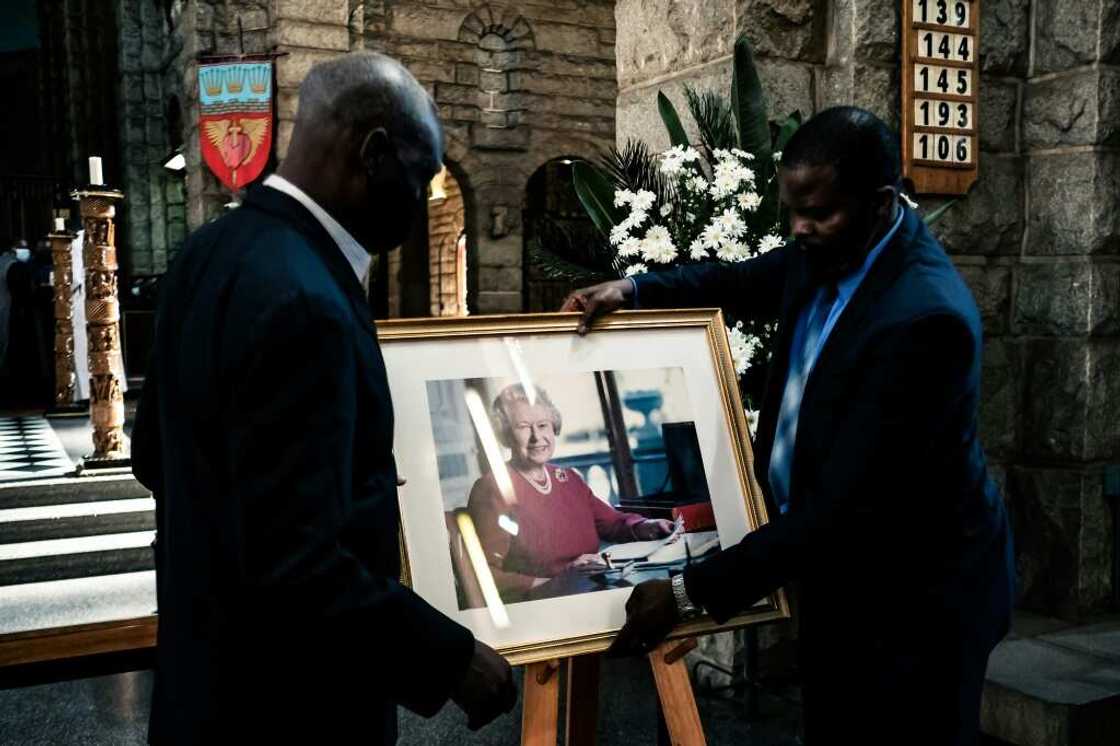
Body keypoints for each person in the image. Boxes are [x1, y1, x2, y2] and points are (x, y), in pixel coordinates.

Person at [562, 107, 1014, 746]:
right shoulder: (829, 246)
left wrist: (689, 593)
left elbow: (842, 510)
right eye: (792, 211)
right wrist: (634, 289)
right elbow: (742, 280)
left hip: (918, 597)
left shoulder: (922, 320)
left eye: (819, 213)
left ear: (881, 202)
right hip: (840, 575)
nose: (800, 228)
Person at [131, 52, 516, 744]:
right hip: (290, 709)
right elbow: (297, 563)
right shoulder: (307, 297)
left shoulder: (208, 251)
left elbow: (152, 454)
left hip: (202, 684)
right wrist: (454, 660)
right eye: (422, 176)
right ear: (372, 155)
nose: (424, 199)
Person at [466, 383, 673, 602]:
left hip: (594, 588)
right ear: (506, 434)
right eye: (524, 427)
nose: (537, 437)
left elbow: (612, 522)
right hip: (543, 603)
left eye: (543, 425)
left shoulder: (568, 479)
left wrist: (647, 527)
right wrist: (561, 580)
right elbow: (483, 573)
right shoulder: (491, 488)